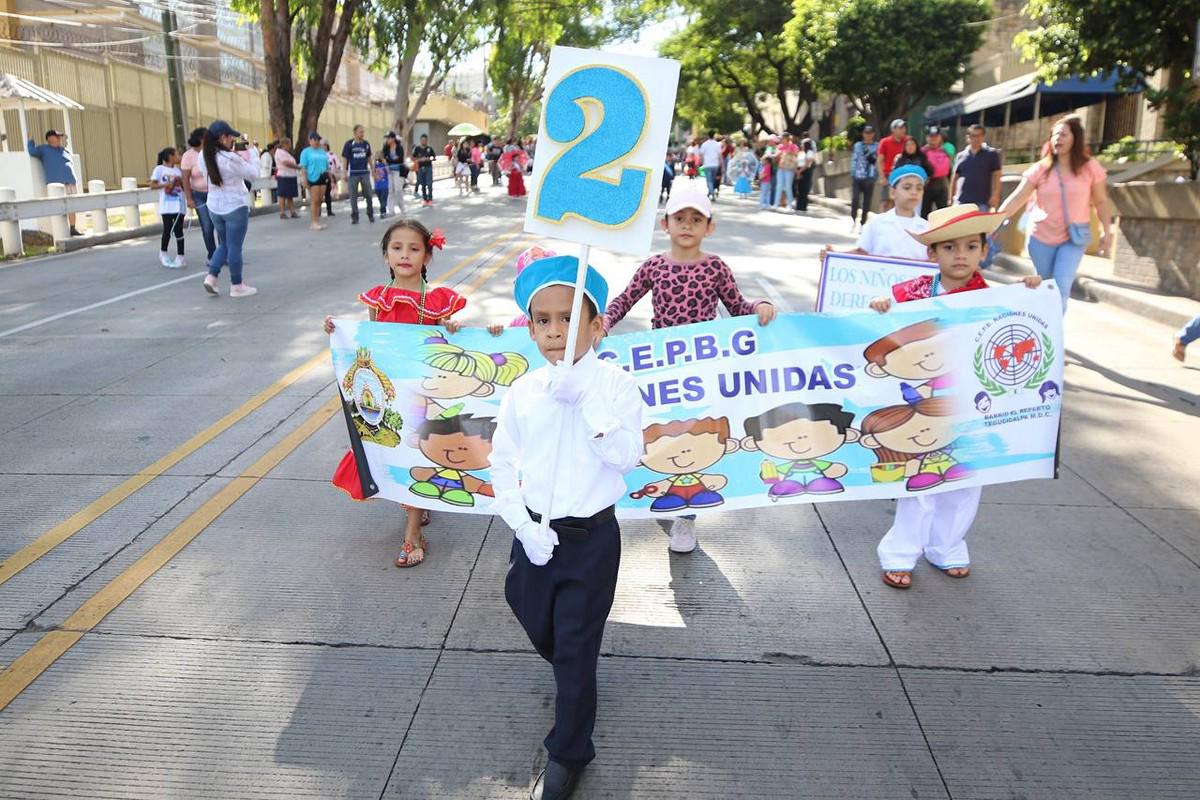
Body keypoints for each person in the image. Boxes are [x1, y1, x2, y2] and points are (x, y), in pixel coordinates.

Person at [491, 255, 645, 800]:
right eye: (544, 320)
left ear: (598, 324)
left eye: (570, 318)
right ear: (530, 327)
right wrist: (522, 523)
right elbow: (502, 461)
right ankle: (573, 675)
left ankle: (569, 750)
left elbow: (628, 457)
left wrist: (590, 409)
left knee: (576, 648)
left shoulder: (617, 387)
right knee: (533, 616)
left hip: (590, 541)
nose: (557, 331)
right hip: (534, 537)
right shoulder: (523, 391)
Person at [865, 205, 1042, 589]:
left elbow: (1021, 328)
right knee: (920, 481)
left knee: (965, 478)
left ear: (983, 251)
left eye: (970, 246)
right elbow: (882, 322)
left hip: (973, 406)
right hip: (927, 410)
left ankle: (947, 546)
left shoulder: (994, 298)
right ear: (933, 254)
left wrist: (1030, 293)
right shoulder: (912, 294)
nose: (959, 255)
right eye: (949, 247)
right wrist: (881, 306)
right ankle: (900, 553)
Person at [603, 185, 775, 554]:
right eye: (680, 218)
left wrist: (759, 305)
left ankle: (686, 518)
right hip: (661, 370)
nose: (687, 225)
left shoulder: (715, 267)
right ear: (666, 223)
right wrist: (602, 324)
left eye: (696, 219)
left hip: (702, 371)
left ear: (709, 228)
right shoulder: (654, 265)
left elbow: (737, 305)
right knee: (660, 431)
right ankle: (657, 489)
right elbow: (624, 300)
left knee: (694, 435)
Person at [325, 220, 465, 567]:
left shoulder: (437, 301)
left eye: (414, 248)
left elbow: (448, 343)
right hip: (390, 396)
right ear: (386, 254)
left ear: (427, 256)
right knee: (396, 453)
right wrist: (336, 329)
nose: (405, 254)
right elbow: (368, 340)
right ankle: (416, 507)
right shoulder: (379, 298)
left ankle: (413, 533)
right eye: (397, 248)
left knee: (418, 454)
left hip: (422, 393)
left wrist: (451, 328)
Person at [997, 114, 1113, 310]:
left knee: (1060, 287)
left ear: (1076, 138)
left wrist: (1106, 230)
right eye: (1055, 135)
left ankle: (1052, 337)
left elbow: (1101, 201)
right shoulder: (1040, 169)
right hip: (1040, 237)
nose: (1058, 138)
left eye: (1064, 134)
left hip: (1073, 238)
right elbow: (1017, 198)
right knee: (1041, 286)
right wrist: (993, 222)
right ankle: (1039, 331)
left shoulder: (1090, 168)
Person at [197, 120, 260, 297]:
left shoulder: (203, 156)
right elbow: (253, 173)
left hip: (214, 205)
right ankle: (237, 285)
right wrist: (253, 153)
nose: (233, 139)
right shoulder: (230, 158)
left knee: (224, 244)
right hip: (234, 205)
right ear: (222, 138)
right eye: (230, 136)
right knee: (234, 247)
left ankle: (211, 277)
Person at [824, 164, 931, 262]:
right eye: (907, 187)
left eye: (919, 188)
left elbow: (932, 261)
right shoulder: (877, 222)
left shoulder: (927, 228)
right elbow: (862, 252)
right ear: (893, 193)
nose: (914, 192)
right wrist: (833, 256)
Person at [27, 129, 82, 236]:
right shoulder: (43, 149)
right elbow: (32, 151)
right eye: (57, 137)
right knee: (60, 206)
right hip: (57, 185)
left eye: (59, 137)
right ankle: (61, 230)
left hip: (70, 182)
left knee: (72, 205)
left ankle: (72, 228)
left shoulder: (64, 150)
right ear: (50, 138)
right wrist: (30, 140)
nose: (59, 139)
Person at [180, 127, 218, 265]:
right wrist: (189, 198)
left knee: (219, 224)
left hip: (215, 193)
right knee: (207, 226)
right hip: (199, 194)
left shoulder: (213, 151)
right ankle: (212, 254)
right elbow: (185, 179)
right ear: (201, 139)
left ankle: (223, 253)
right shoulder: (188, 156)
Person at [951, 124, 1002, 211]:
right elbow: (954, 178)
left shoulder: (992, 154)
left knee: (982, 224)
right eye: (973, 136)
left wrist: (996, 195)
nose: (976, 138)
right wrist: (951, 198)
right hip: (961, 201)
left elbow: (997, 176)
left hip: (982, 202)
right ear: (968, 138)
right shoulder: (960, 156)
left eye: (979, 135)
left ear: (983, 137)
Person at [150, 146, 185, 268]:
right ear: (170, 157)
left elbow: (184, 188)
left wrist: (181, 182)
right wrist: (167, 184)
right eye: (177, 155)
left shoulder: (178, 171)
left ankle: (181, 256)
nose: (179, 157)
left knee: (179, 231)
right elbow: (153, 185)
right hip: (167, 205)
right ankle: (163, 252)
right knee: (167, 230)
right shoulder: (159, 169)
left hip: (179, 205)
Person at [342, 124, 375, 224]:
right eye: (360, 132)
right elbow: (345, 158)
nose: (362, 134)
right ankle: (355, 216)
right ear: (355, 133)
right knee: (353, 196)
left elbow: (369, 157)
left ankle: (370, 214)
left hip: (364, 173)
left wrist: (373, 169)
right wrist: (344, 171)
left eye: (363, 132)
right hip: (353, 174)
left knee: (369, 194)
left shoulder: (366, 144)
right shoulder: (349, 144)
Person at [298, 131, 329, 232]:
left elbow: (326, 165)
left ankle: (317, 220)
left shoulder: (322, 151)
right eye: (314, 139)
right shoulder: (306, 152)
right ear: (310, 140)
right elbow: (303, 167)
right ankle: (313, 222)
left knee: (320, 200)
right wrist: (304, 179)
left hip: (323, 176)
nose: (316, 142)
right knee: (314, 200)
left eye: (318, 140)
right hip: (312, 177)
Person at [849, 125, 879, 229]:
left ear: (873, 134)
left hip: (869, 176)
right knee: (855, 199)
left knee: (867, 201)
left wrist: (875, 175)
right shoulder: (858, 145)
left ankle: (863, 222)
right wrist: (852, 173)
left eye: (870, 133)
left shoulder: (876, 146)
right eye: (866, 133)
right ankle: (853, 219)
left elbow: (877, 161)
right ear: (863, 134)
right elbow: (854, 159)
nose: (868, 135)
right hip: (857, 176)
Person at [877, 119, 908, 211]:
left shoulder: (908, 141)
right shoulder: (885, 142)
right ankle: (881, 222)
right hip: (888, 175)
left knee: (897, 202)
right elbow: (880, 160)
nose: (903, 130)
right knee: (885, 201)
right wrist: (882, 176)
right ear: (893, 130)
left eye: (904, 128)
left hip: (903, 175)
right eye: (900, 128)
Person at [921, 127, 953, 217]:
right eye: (931, 136)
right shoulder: (922, 152)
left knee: (943, 215)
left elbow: (949, 171)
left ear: (940, 137)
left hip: (941, 186)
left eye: (936, 136)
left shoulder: (944, 151)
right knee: (924, 214)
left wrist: (950, 190)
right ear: (927, 137)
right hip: (926, 187)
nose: (933, 139)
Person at [381, 131, 407, 216]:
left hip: (399, 170)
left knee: (398, 189)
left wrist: (389, 161)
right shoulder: (386, 148)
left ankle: (402, 207)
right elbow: (383, 158)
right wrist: (387, 163)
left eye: (388, 138)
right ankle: (391, 210)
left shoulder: (399, 148)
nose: (387, 140)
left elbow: (399, 159)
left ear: (393, 139)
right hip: (390, 171)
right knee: (391, 190)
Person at [273, 138, 299, 219]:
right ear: (285, 144)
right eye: (289, 144)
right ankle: (282, 212)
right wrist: (297, 167)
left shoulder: (286, 153)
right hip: (284, 175)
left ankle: (292, 211)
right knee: (283, 195)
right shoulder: (279, 152)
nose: (290, 146)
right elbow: (285, 163)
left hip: (290, 175)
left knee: (290, 195)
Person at [774, 133, 799, 209]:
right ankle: (776, 204)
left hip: (789, 169)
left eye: (782, 138)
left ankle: (789, 205)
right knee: (779, 186)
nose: (781, 139)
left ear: (787, 138)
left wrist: (789, 152)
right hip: (781, 168)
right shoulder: (780, 146)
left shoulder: (793, 146)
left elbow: (797, 155)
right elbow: (775, 156)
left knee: (788, 186)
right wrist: (778, 154)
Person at [412, 133, 436, 207]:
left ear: (427, 140)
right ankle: (424, 199)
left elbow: (434, 157)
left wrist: (429, 159)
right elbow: (413, 158)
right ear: (420, 140)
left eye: (425, 140)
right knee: (423, 185)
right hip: (420, 168)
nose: (424, 141)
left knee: (429, 184)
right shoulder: (417, 148)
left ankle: (430, 199)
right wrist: (420, 159)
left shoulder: (430, 148)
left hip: (428, 167)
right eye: (422, 140)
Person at [793, 137, 816, 213]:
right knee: (799, 188)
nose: (801, 145)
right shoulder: (801, 152)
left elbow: (808, 163)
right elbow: (797, 161)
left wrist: (800, 171)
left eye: (803, 144)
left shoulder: (810, 152)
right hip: (799, 170)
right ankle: (798, 205)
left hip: (806, 171)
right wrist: (797, 170)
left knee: (804, 188)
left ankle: (803, 206)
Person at [699, 130, 723, 200]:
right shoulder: (717, 144)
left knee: (709, 180)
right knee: (712, 180)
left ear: (708, 135)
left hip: (707, 164)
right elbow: (720, 155)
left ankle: (711, 192)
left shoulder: (704, 144)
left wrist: (702, 162)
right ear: (714, 135)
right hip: (715, 165)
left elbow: (701, 155)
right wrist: (721, 164)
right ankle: (711, 192)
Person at [322, 139, 339, 216]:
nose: (323, 146)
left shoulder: (331, 154)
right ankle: (317, 211)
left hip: (329, 175)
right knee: (319, 194)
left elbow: (337, 165)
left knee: (327, 193)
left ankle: (329, 210)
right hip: (319, 175)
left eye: (324, 145)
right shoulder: (318, 155)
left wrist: (334, 174)